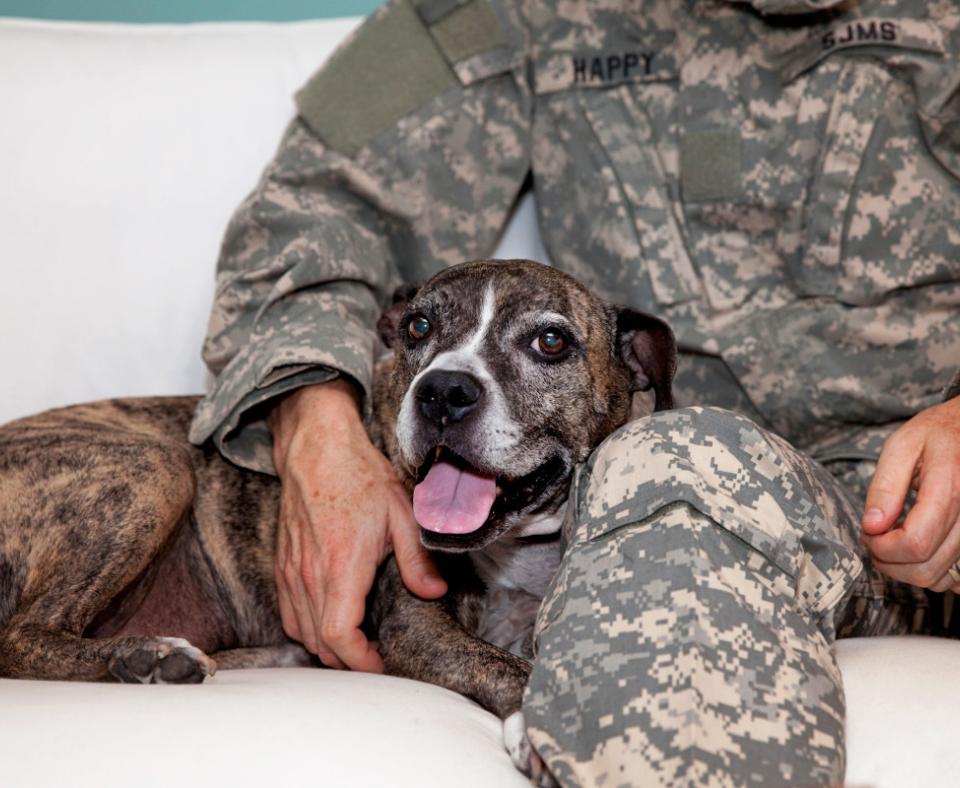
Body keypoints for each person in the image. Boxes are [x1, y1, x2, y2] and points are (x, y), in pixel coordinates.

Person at [189, 0, 960, 783]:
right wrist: (315, 427)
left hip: (904, 519)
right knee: (653, 464)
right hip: (620, 505)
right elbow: (309, 214)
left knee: (670, 459)